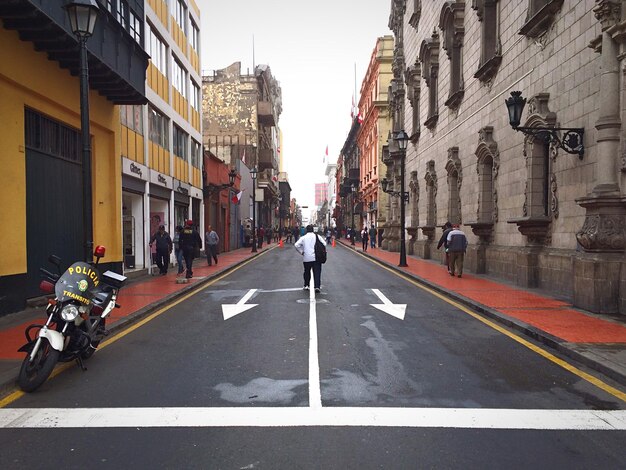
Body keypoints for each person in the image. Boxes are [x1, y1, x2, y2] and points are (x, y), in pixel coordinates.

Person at [294, 224, 326, 293]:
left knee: (307, 272)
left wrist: (301, 252)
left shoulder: (304, 237)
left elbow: (296, 245)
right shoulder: (317, 236)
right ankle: (317, 286)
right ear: (313, 230)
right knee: (317, 272)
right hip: (316, 257)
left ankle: (306, 285)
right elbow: (324, 243)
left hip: (307, 257)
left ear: (306, 230)